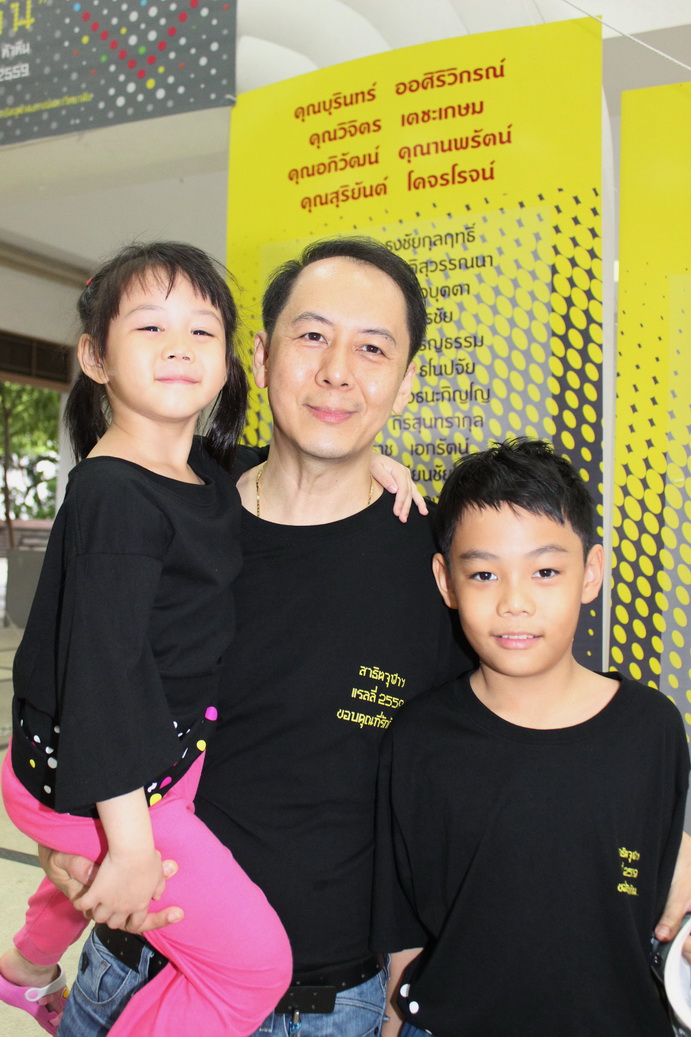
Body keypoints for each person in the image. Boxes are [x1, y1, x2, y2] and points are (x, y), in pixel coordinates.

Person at [37, 239, 691, 1036]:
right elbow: (78, 678)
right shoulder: (166, 510)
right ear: (260, 355)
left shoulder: (440, 567)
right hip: (135, 971)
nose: (337, 371)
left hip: (325, 1008)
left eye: (373, 348)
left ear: (407, 381)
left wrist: (673, 840)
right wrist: (68, 830)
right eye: (312, 335)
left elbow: (546, 719)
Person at [0, 241, 293, 1036]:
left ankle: (23, 968)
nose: (179, 346)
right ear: (95, 357)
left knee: (81, 875)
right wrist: (129, 846)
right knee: (255, 968)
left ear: (228, 363)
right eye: (150, 327)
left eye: (202, 330)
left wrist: (377, 469)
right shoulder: (116, 497)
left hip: (159, 749)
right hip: (110, 777)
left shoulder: (197, 471)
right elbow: (104, 676)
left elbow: (265, 467)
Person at [372, 438, 690, 1037]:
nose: (514, 603)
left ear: (590, 573)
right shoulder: (419, 739)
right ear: (446, 581)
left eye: (545, 571)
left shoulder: (652, 728)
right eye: (484, 574)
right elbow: (401, 936)